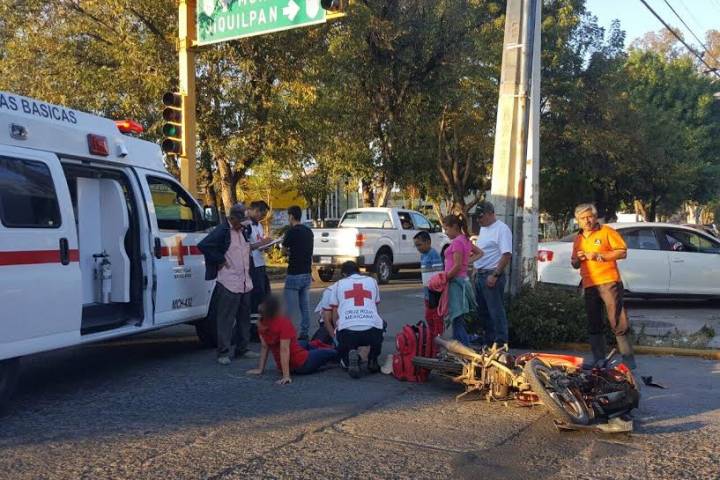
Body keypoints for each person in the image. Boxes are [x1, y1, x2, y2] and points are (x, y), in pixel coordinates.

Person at [570, 203, 636, 369]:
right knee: (594, 322)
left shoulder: (607, 232)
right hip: (589, 284)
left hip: (609, 282)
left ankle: (628, 361)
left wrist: (599, 256)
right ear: (578, 220)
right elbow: (574, 263)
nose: (587, 221)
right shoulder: (578, 239)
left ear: (595, 217)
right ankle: (599, 359)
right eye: (583, 218)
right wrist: (578, 259)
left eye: (590, 217)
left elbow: (622, 252)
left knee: (617, 321)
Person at [197, 203, 254, 365]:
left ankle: (243, 348)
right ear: (232, 218)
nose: (242, 225)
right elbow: (204, 245)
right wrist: (220, 260)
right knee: (226, 319)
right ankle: (223, 351)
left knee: (244, 318)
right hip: (228, 281)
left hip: (244, 281)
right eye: (240, 222)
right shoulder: (222, 230)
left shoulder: (243, 230)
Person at [248, 296, 338, 385]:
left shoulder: (261, 323)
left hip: (283, 365)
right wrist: (286, 376)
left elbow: (265, 347)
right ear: (277, 310)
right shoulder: (283, 323)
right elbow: (284, 350)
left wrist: (260, 369)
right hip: (302, 363)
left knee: (304, 343)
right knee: (330, 352)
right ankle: (338, 353)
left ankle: (315, 346)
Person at [325, 261, 384, 379]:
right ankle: (372, 360)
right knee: (380, 324)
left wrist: (337, 329)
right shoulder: (372, 281)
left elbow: (335, 314)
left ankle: (350, 356)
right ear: (358, 271)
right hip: (371, 332)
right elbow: (375, 308)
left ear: (344, 274)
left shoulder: (338, 285)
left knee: (344, 338)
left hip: (348, 333)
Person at [472, 201, 512, 348]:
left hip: (492, 273)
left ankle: (501, 342)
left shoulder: (502, 229)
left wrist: (495, 275)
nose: (478, 220)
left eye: (481, 217)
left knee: (495, 311)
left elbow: (506, 254)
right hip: (480, 274)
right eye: (477, 217)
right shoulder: (484, 229)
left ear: (490, 214)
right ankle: (488, 341)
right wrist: (475, 270)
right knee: (483, 311)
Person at [442, 214, 483, 346]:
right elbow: (480, 253)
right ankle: (460, 347)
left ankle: (463, 348)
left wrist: (445, 278)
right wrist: (467, 261)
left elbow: (457, 265)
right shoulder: (465, 240)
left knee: (457, 318)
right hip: (461, 280)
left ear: (454, 226)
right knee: (457, 318)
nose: (445, 232)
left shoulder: (458, 242)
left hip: (456, 282)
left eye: (446, 229)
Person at [282, 205, 314, 340]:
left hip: (294, 273)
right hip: (306, 273)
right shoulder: (309, 231)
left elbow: (284, 250)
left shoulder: (291, 232)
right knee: (304, 306)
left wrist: (290, 253)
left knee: (289, 306)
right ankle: (304, 332)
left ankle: (287, 334)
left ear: (291, 216)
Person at [413, 231, 444, 337]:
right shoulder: (423, 256)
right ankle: (432, 335)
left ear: (428, 242)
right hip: (427, 292)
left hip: (434, 292)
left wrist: (436, 291)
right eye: (416, 246)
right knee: (429, 316)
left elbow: (438, 275)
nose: (418, 248)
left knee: (435, 315)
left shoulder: (433, 254)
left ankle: (438, 336)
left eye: (419, 245)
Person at [247, 200, 273, 319]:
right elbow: (245, 247)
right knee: (256, 295)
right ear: (256, 211)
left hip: (260, 262)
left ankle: (262, 319)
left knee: (265, 293)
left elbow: (260, 242)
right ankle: (254, 322)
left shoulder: (259, 225)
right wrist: (261, 243)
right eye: (262, 215)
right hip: (251, 264)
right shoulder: (246, 225)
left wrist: (267, 245)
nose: (263, 218)